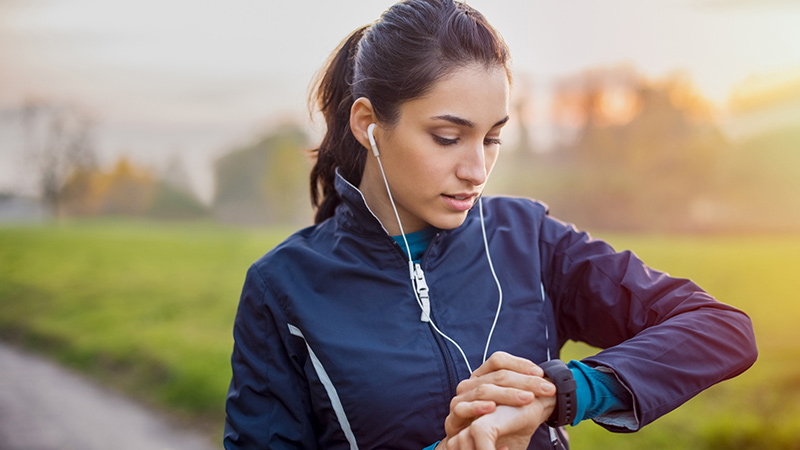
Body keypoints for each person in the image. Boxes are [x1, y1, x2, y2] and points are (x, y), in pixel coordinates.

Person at [223, 1, 758, 449]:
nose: (476, 170)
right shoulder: (282, 288)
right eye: (448, 137)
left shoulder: (530, 237)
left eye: (492, 138)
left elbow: (721, 330)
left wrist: (563, 390)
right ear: (368, 125)